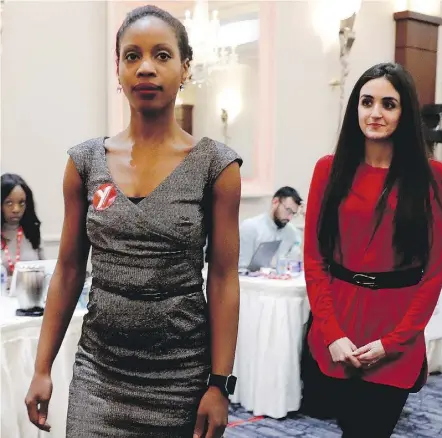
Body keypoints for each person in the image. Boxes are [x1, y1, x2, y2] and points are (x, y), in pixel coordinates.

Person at [25, 5, 242, 438]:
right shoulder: (84, 163)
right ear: (118, 70)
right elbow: (68, 269)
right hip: (100, 372)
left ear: (185, 68)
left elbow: (222, 278)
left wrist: (219, 385)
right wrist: (42, 367)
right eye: (132, 56)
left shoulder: (216, 166)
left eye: (162, 55)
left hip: (180, 374)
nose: (146, 67)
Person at [302, 62, 442, 437]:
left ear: (405, 112)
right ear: (356, 108)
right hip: (339, 329)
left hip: (394, 333)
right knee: (349, 428)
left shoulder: (433, 177)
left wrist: (394, 342)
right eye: (367, 102)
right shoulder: (328, 170)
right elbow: (314, 260)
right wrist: (332, 333)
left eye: (389, 104)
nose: (376, 113)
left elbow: (433, 274)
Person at [238, 186, 303, 269]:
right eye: (288, 210)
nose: (290, 218)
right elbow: (241, 269)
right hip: (254, 281)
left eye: (293, 213)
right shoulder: (250, 227)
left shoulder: (292, 232)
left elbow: (296, 262)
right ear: (275, 202)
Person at [1, 173, 44, 288]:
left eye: (21, 203)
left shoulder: (33, 232)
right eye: (9, 203)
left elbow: (45, 271)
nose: (16, 209)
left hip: (30, 298)